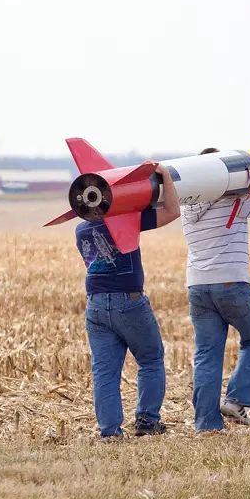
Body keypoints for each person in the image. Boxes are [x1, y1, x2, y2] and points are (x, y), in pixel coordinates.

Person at [182, 143, 250, 433]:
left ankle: (206, 424)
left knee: (207, 353)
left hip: (197, 286)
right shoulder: (235, 202)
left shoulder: (186, 207)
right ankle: (237, 399)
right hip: (231, 282)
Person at [76, 161, 181, 439]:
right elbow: (172, 211)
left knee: (105, 371)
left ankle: (110, 431)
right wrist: (166, 177)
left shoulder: (80, 230)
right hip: (129, 300)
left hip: (96, 304)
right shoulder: (126, 218)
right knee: (150, 359)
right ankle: (147, 422)